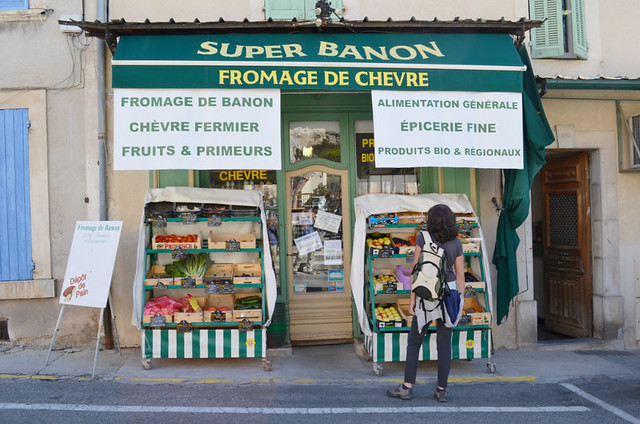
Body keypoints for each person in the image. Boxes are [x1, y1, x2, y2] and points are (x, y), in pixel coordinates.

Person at [387, 203, 465, 402]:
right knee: (444, 344)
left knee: (415, 341)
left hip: (426, 293)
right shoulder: (456, 243)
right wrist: (460, 301)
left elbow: (415, 269)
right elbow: (461, 277)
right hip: (448, 294)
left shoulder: (423, 237)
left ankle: (407, 387)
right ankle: (441, 390)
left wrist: (412, 299)